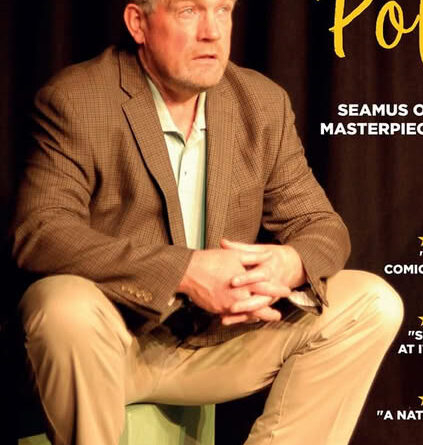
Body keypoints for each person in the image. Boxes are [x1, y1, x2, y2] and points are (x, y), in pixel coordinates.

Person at [11, 0, 403, 444]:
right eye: (189, 12)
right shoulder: (78, 99)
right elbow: (41, 231)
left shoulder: (261, 102)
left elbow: (320, 225)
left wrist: (287, 264)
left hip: (220, 345)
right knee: (61, 305)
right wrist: (185, 271)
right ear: (138, 23)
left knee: (371, 302)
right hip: (113, 343)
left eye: (223, 10)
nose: (212, 32)